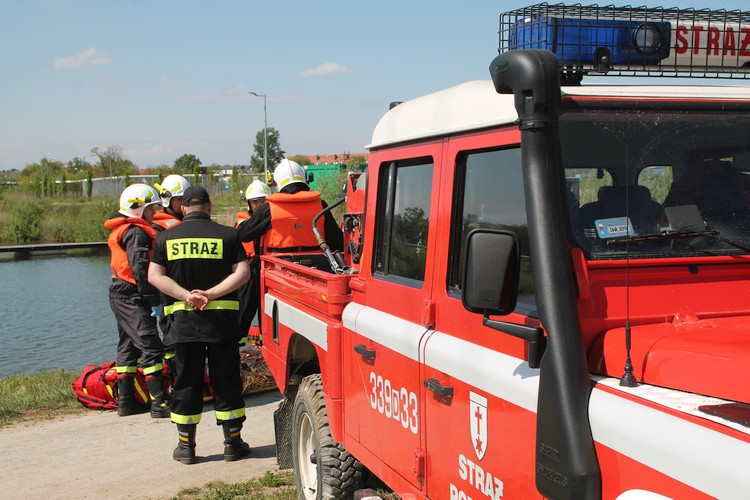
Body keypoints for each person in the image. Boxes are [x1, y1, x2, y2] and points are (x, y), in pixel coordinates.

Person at [148, 185, 251, 465]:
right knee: (226, 380)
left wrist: (186, 296)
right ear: (209, 206)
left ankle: (186, 448)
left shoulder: (165, 238)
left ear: (183, 209)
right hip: (221, 325)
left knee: (186, 382)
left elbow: (154, 276)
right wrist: (212, 294)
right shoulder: (229, 235)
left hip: (183, 324)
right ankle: (233, 444)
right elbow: (243, 272)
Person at [104, 183, 171, 418]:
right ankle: (160, 403)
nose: (154, 213)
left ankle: (126, 402)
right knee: (150, 345)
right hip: (133, 294)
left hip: (120, 292)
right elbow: (141, 268)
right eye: (151, 209)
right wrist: (153, 297)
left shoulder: (127, 229)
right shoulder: (136, 232)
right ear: (138, 209)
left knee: (128, 346)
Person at [237, 158, 344, 254]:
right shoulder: (320, 205)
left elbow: (244, 234)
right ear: (304, 178)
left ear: (278, 183)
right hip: (316, 269)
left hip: (277, 270)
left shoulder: (270, 208)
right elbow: (337, 241)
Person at [151, 174, 191, 386]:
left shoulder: (182, 225)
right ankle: (175, 381)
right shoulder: (158, 230)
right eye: (180, 200)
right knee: (170, 336)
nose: (184, 205)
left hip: (183, 289)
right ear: (167, 201)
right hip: (167, 291)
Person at [235, 179, 272, 341]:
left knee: (267, 311)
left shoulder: (273, 219)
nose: (258, 205)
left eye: (262, 201)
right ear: (249, 203)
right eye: (255, 202)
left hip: (268, 271)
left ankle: (266, 343)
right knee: (244, 309)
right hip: (249, 272)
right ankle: (238, 344)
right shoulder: (243, 223)